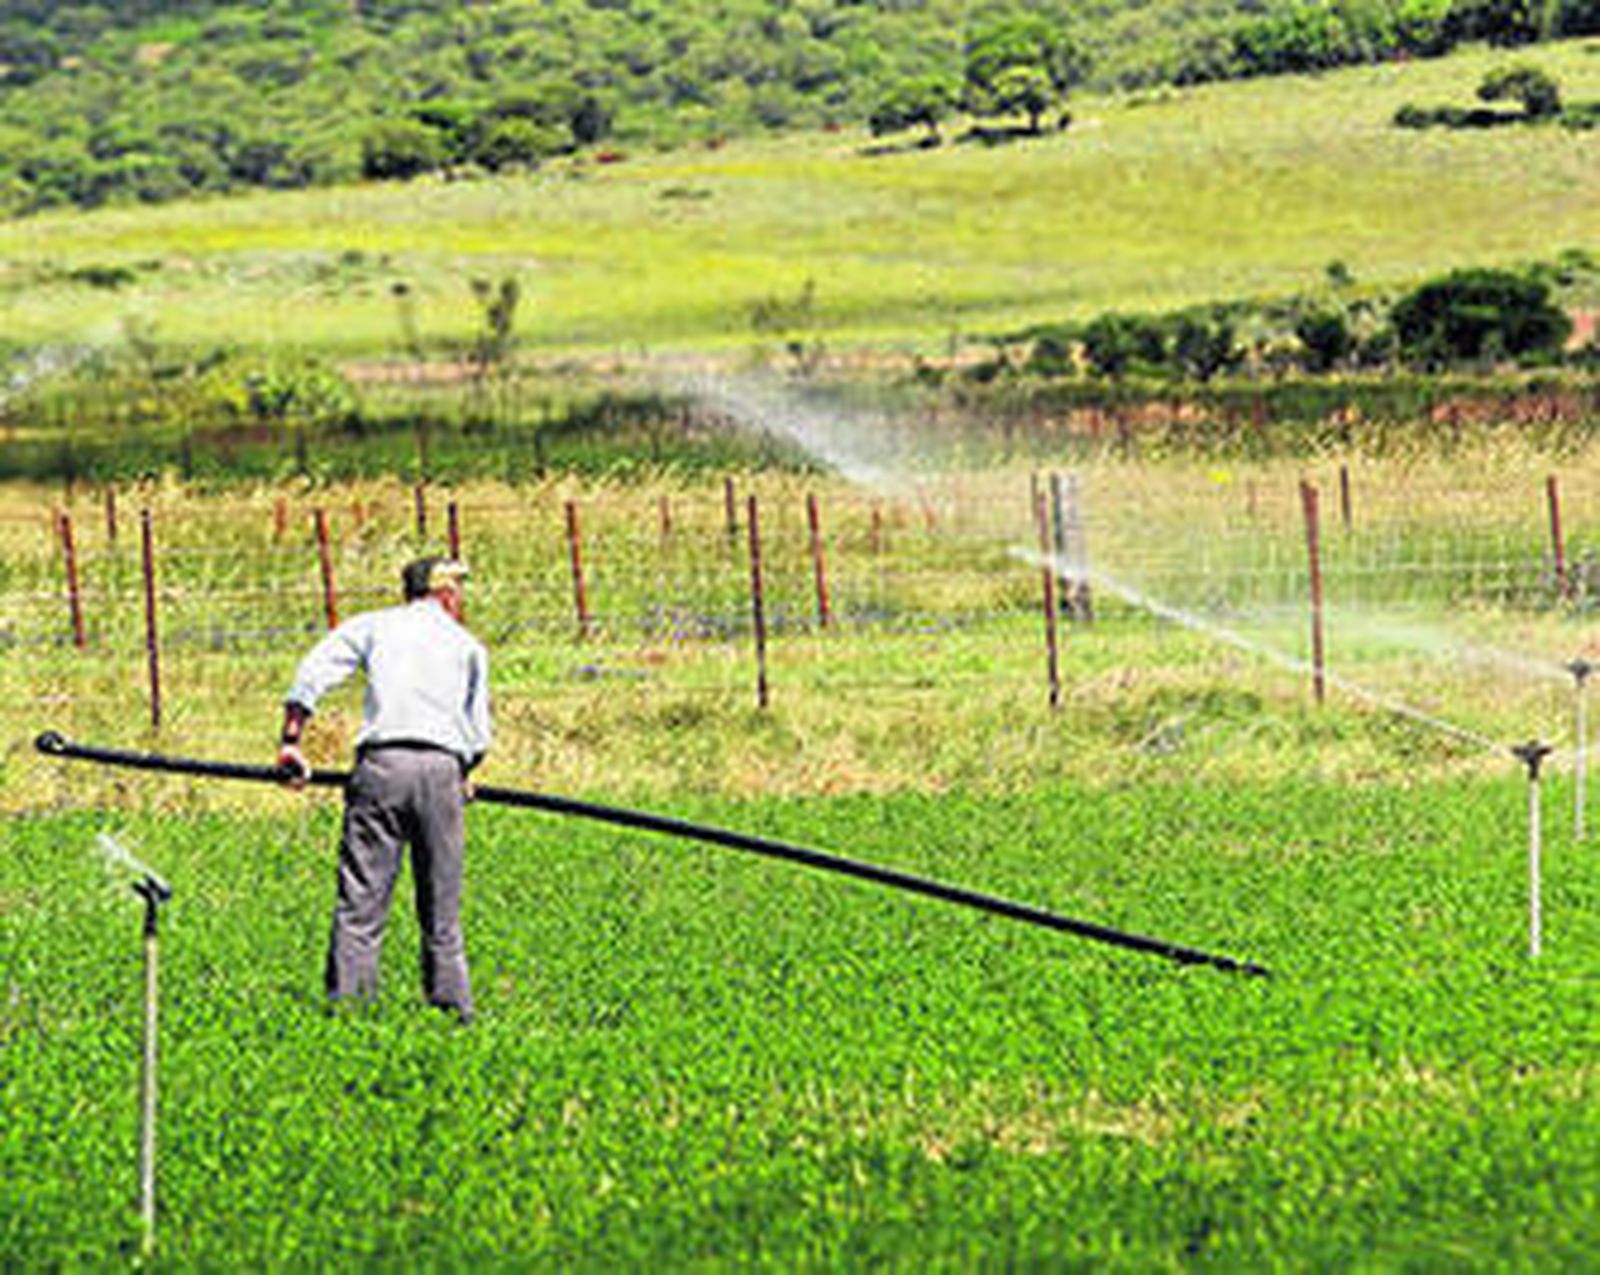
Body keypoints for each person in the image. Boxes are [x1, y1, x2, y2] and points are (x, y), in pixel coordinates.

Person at [277, 556, 491, 1024]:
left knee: (360, 906)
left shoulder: (373, 627)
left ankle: (350, 1015)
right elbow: (478, 735)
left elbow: (312, 672)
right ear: (447, 594)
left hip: (381, 768)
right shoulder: (467, 645)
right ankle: (453, 1016)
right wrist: (462, 774)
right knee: (442, 911)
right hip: (441, 771)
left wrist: (291, 742)